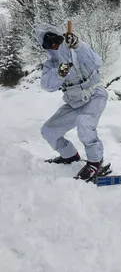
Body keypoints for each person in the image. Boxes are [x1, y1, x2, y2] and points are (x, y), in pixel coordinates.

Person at [35, 23, 108, 180]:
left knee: (84, 122)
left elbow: (97, 63)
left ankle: (96, 162)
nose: (54, 45)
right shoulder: (51, 65)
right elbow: (47, 85)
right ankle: (70, 156)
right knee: (48, 130)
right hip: (74, 103)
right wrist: (60, 73)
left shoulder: (76, 49)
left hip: (95, 95)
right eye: (48, 44)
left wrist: (79, 46)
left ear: (60, 37)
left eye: (55, 40)